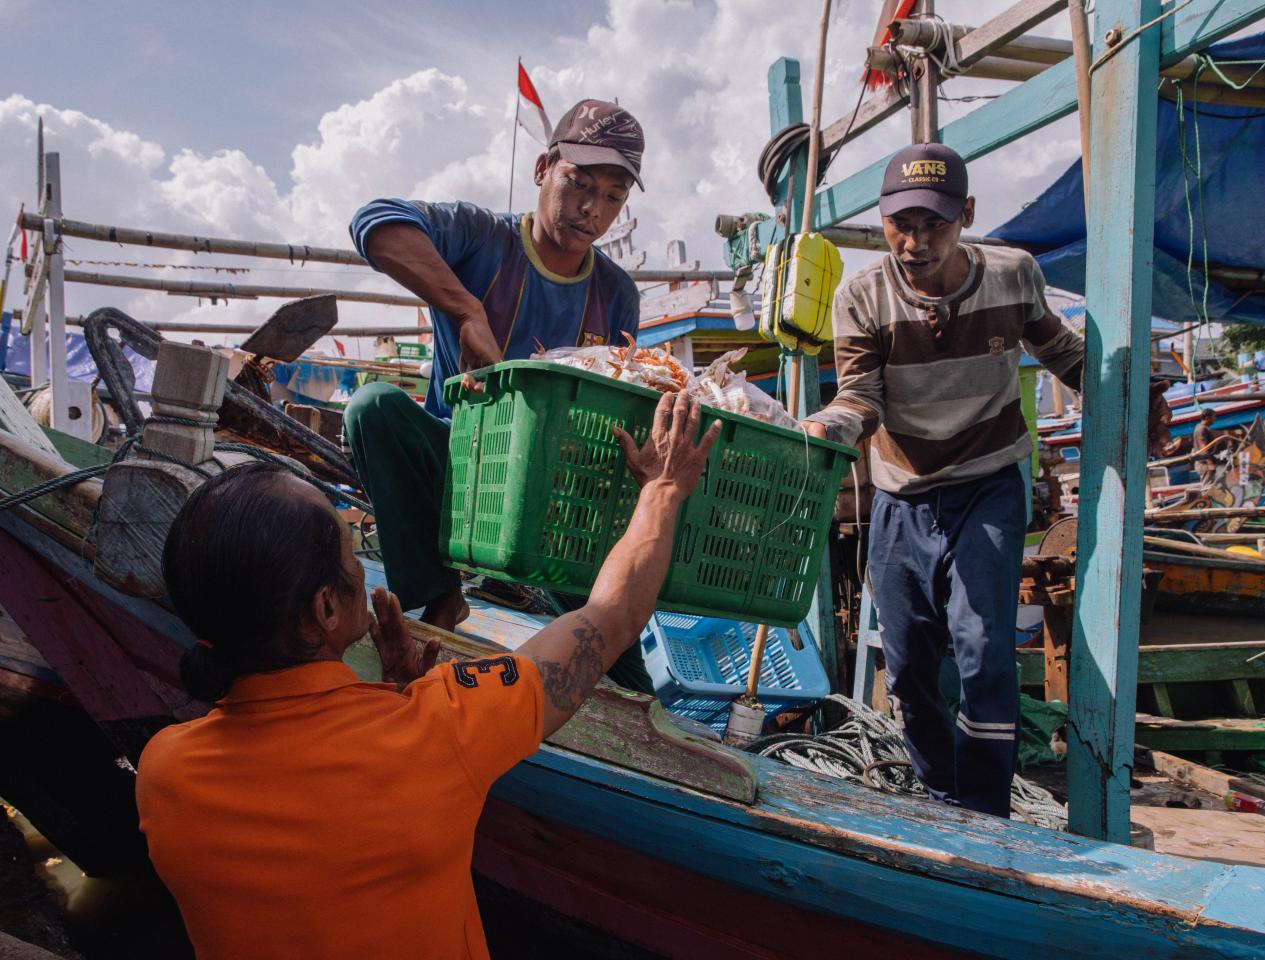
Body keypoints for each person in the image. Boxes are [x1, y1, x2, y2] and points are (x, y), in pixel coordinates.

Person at [137, 392, 720, 960]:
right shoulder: (439, 729)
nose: (361, 571)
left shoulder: (164, 772)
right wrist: (664, 489)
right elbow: (610, 618)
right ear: (325, 610)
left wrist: (394, 694)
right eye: (349, 556)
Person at [803, 143, 1169, 817]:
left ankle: (986, 808)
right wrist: (825, 430)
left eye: (933, 225)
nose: (914, 242)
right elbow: (860, 396)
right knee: (910, 663)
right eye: (900, 225)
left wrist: (1132, 399)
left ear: (966, 214)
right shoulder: (860, 296)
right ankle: (939, 792)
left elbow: (1064, 354)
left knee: (982, 649)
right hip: (901, 495)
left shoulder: (1012, 276)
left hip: (989, 484)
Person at [342, 99, 646, 633]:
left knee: (611, 655)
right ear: (541, 169)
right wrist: (465, 309)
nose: (591, 209)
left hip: (556, 504)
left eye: (612, 197)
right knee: (371, 407)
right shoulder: (483, 237)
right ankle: (440, 594)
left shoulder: (616, 293)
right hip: (460, 475)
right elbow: (376, 222)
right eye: (578, 183)